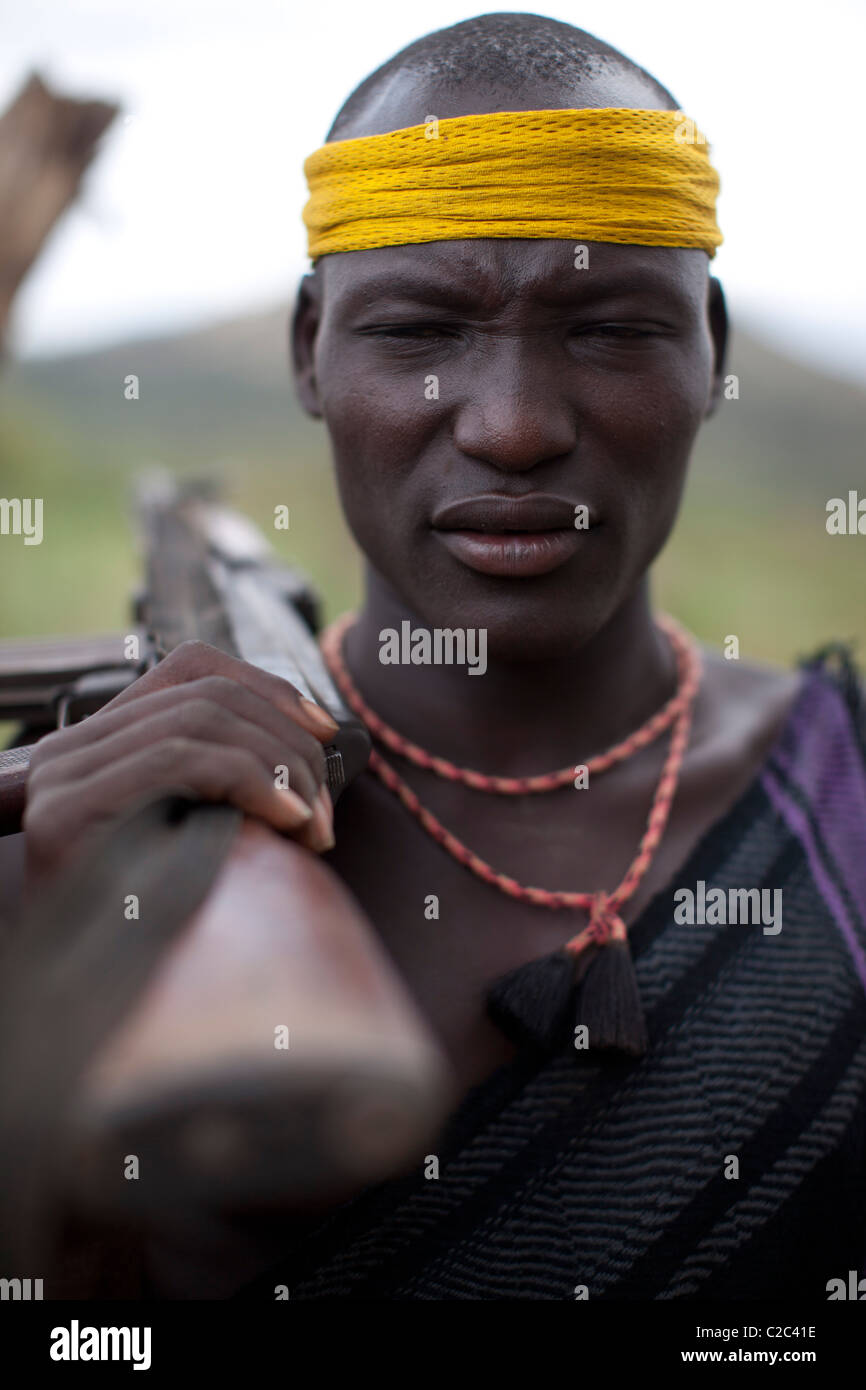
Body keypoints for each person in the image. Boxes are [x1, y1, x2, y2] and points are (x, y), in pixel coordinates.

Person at [14, 13, 866, 1300]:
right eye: (416, 331)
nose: (513, 428)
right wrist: (51, 967)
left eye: (610, 329)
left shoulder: (842, 800)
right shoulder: (89, 850)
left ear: (713, 359)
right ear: (311, 353)